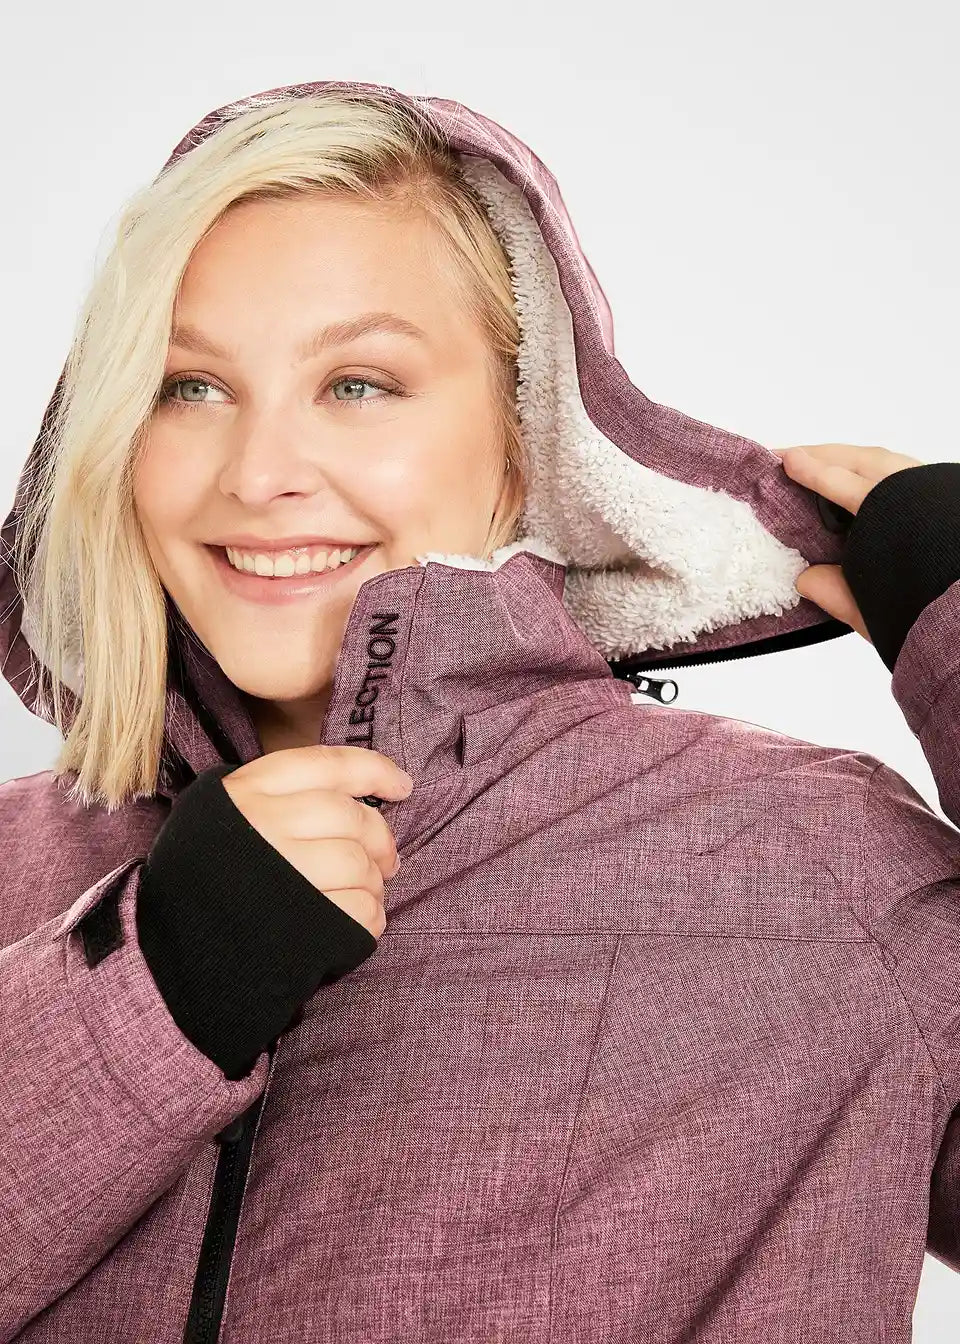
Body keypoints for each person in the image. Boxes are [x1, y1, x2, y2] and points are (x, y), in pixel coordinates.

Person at [1, 78, 959, 1344]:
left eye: (358, 383)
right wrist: (145, 988)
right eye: (189, 387)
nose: (260, 472)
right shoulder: (21, 861)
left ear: (522, 439)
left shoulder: (806, 866)